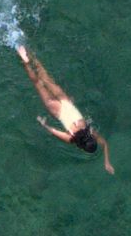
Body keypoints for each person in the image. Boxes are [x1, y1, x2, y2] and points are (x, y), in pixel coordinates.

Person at [15, 42, 114, 173]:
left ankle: (30, 54)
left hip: (66, 101)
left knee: (45, 76)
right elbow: (54, 131)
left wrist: (107, 161)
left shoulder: (90, 131)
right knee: (37, 83)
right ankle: (25, 61)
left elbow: (105, 143)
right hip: (56, 110)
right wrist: (43, 124)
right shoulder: (71, 139)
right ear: (82, 146)